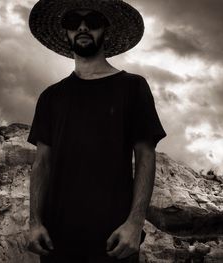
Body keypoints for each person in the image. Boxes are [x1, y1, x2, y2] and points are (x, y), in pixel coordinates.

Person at [26, 1, 167, 262]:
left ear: (106, 30)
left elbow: (145, 156)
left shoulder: (133, 87)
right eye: (72, 22)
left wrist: (135, 224)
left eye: (92, 20)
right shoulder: (51, 97)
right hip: (57, 241)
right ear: (65, 33)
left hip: (113, 239)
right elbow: (41, 164)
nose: (82, 27)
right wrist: (35, 223)